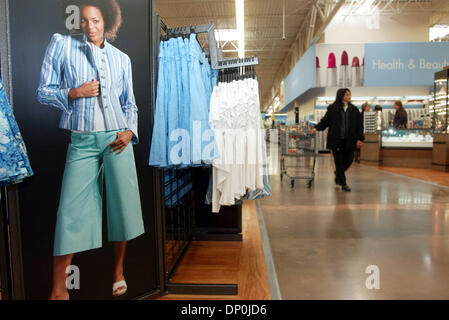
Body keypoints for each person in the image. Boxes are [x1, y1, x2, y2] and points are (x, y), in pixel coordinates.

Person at [36, 0, 144, 300]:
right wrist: (74, 92)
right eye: (84, 21)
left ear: (106, 21)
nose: (90, 27)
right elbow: (42, 90)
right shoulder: (62, 45)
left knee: (123, 208)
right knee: (69, 212)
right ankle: (59, 289)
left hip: (117, 142)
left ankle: (118, 271)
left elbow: (130, 104)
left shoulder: (122, 59)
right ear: (77, 22)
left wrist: (130, 131)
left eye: (96, 20)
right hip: (82, 141)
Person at [311, 88, 364, 192]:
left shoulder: (354, 110)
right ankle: (343, 183)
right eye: (347, 95)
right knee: (339, 162)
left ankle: (338, 174)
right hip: (336, 140)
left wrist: (360, 138)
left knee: (349, 160)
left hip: (350, 140)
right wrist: (316, 128)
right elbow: (325, 121)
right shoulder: (332, 109)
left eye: (350, 94)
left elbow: (359, 126)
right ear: (341, 96)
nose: (349, 96)